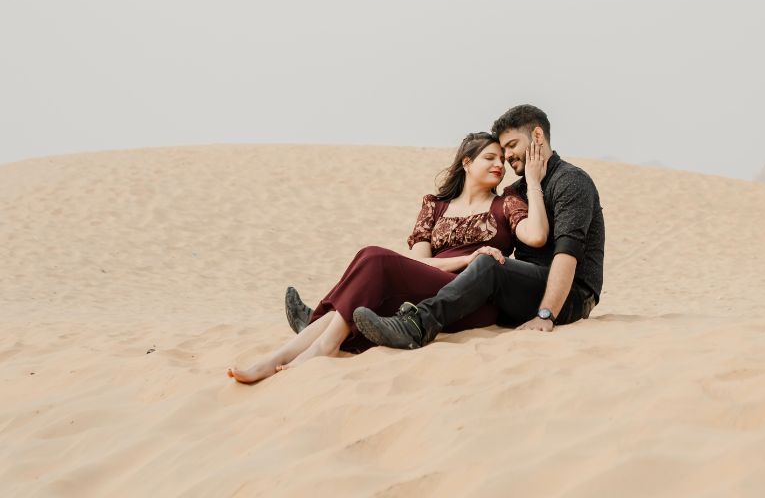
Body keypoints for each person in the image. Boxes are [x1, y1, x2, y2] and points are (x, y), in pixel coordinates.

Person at [227, 131, 549, 383]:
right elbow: (419, 263)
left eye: (501, 162)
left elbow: (535, 236)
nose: (498, 166)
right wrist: (465, 258)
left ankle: (318, 343)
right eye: (489, 157)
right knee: (372, 273)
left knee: (375, 259)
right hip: (429, 285)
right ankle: (283, 356)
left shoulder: (506, 203)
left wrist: (532, 182)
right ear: (466, 162)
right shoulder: (434, 206)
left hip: (469, 298)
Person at [353, 104, 605, 349]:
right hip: (522, 289)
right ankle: (351, 330)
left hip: (569, 296)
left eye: (511, 145)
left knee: (488, 264)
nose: (506, 157)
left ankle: (418, 325)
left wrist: (546, 315)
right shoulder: (515, 191)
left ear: (537, 135)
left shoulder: (570, 181)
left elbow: (567, 255)